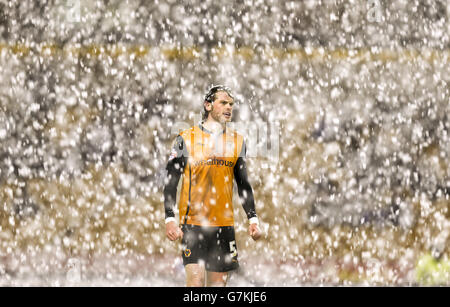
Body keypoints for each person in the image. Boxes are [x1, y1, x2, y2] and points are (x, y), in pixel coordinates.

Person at [163, 85, 261, 287]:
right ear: (208, 105)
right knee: (196, 284)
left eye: (231, 104)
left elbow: (243, 183)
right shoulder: (185, 139)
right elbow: (171, 181)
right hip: (193, 225)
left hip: (224, 226)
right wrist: (170, 219)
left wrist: (253, 218)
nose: (229, 108)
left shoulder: (237, 141)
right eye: (223, 102)